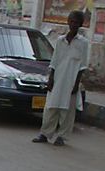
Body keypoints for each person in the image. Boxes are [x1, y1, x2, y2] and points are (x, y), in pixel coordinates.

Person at [32, 11, 89, 147]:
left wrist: (76, 84)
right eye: (71, 21)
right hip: (58, 78)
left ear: (80, 24)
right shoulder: (60, 40)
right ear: (68, 22)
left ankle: (62, 136)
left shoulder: (83, 43)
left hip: (71, 80)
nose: (73, 24)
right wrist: (51, 78)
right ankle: (45, 133)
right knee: (51, 107)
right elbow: (54, 61)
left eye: (76, 22)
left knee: (67, 110)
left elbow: (82, 66)